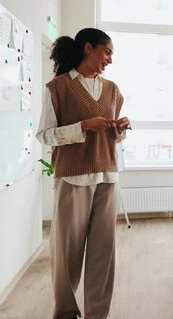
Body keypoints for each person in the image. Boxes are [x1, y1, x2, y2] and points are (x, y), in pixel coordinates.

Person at [37, 28, 131, 319]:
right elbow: (44, 136)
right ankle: (65, 313)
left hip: (107, 176)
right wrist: (83, 127)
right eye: (108, 52)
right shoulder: (57, 88)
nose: (110, 60)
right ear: (88, 48)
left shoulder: (113, 89)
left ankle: (97, 314)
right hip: (73, 178)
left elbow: (113, 137)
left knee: (104, 254)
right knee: (67, 255)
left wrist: (119, 129)